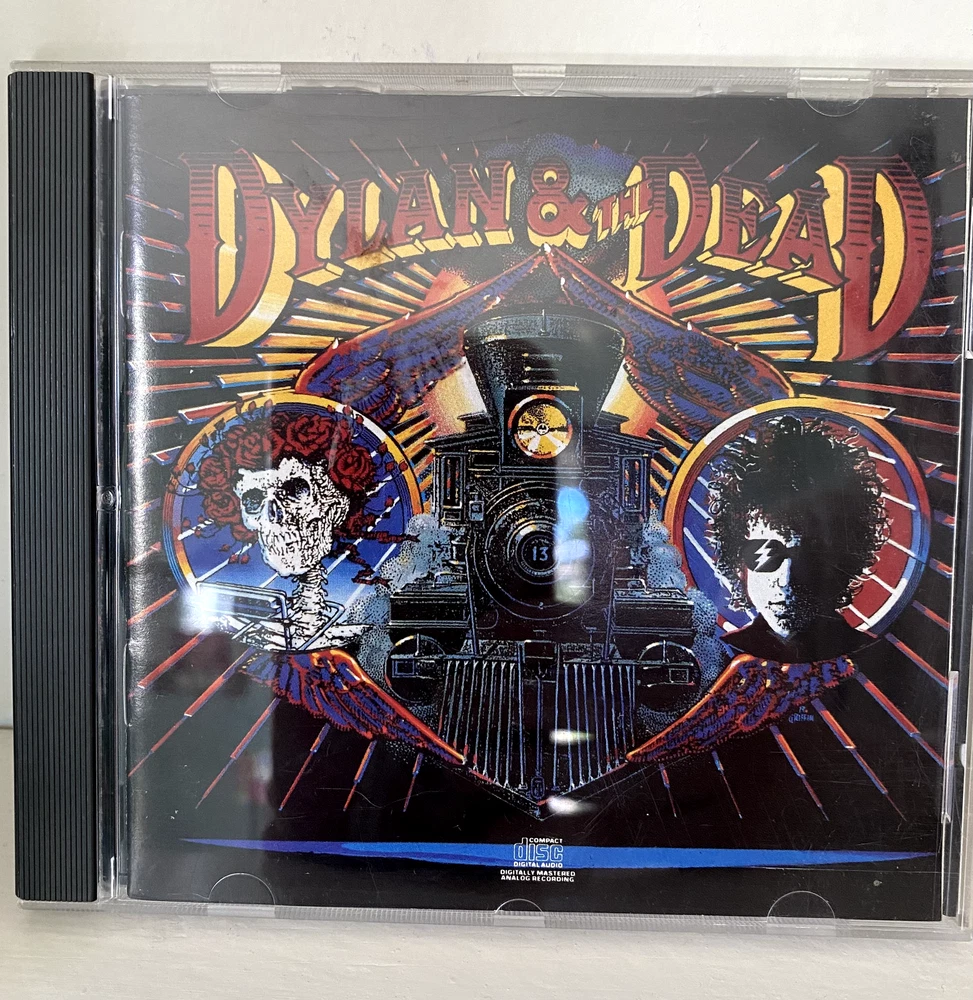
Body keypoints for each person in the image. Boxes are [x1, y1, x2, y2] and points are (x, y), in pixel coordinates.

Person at [707, 414, 888, 662]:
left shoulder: (877, 659)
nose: (785, 581)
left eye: (809, 558)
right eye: (765, 555)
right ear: (738, 563)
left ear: (844, 563)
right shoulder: (718, 657)